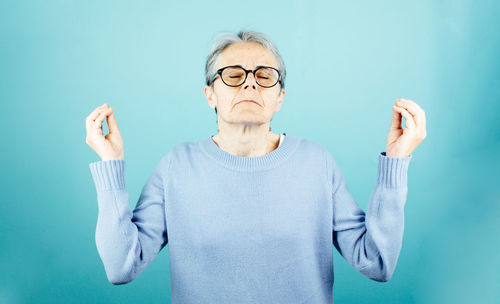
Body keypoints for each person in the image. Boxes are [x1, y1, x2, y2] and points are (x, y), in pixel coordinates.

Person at [85, 30, 427, 303]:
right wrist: (111, 166)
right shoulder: (176, 166)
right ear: (210, 95)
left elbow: (377, 262)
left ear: (279, 97)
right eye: (233, 75)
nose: (249, 83)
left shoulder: (316, 162)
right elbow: (121, 266)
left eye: (264, 76)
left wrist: (396, 162)